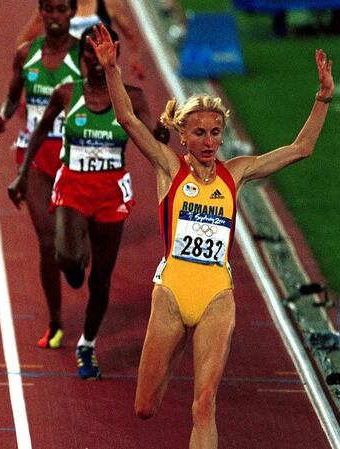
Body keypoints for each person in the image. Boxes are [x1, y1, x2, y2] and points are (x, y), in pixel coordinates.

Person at [87, 23, 333, 448]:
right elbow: (127, 117)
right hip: (170, 291)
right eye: (199, 133)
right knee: (144, 407)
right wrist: (111, 69)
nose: (208, 141)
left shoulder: (235, 173)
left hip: (217, 294)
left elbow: (301, 149)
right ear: (183, 135)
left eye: (215, 133)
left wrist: (323, 98)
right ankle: (178, 342)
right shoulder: (170, 168)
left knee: (204, 406)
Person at [8, 24, 167, 380]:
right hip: (73, 186)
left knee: (102, 280)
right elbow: (38, 130)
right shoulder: (66, 94)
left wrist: (160, 133)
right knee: (66, 257)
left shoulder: (133, 97)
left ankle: (88, 345)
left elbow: (153, 139)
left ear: (114, 58)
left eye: (103, 56)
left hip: (111, 192)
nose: (96, 63)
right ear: (81, 61)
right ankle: (76, 262)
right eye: (89, 56)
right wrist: (21, 175)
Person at [0, 0, 80, 354]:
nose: (55, 17)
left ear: (72, 13)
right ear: (40, 13)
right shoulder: (26, 54)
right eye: (49, 10)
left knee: (71, 252)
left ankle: (77, 259)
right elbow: (13, 96)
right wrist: (2, 116)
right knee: (47, 241)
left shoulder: (83, 56)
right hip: (33, 155)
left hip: (76, 156)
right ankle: (55, 321)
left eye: (62, 10)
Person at [15, 0, 147, 80]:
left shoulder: (110, 4)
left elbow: (132, 34)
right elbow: (23, 41)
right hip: (59, 77)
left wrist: (136, 56)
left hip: (96, 79)